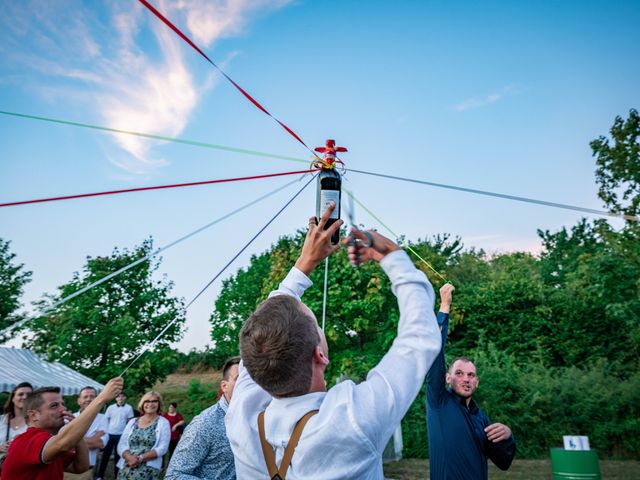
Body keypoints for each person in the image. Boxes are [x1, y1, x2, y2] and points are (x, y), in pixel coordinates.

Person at [226, 203, 442, 479]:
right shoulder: (352, 421)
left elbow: (263, 329)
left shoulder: (242, 414)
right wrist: (391, 254)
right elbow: (420, 336)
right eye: (315, 324)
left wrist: (305, 263)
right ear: (320, 355)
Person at [426, 284, 516, 479]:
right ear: (447, 378)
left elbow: (503, 462)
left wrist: (508, 436)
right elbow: (433, 352)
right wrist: (444, 307)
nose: (466, 379)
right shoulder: (438, 401)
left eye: (471, 375)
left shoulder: (480, 418)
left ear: (477, 382)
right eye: (459, 373)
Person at [1, 377, 123, 480]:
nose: (62, 409)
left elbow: (80, 467)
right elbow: (63, 443)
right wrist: (100, 399)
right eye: (54, 406)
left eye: (63, 404)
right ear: (34, 415)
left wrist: (76, 432)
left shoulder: (49, 441)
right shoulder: (27, 440)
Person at [165, 355, 240, 480]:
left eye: (251, 379)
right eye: (239, 379)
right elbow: (174, 476)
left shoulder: (261, 419)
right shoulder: (205, 423)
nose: (246, 384)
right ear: (224, 386)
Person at [116, 391, 170, 480]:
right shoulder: (132, 421)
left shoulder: (163, 422)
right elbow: (121, 444)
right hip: (127, 466)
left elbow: (163, 448)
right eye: (147, 401)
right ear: (142, 404)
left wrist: (140, 458)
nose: (150, 404)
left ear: (159, 404)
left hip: (148, 471)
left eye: (154, 401)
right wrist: (129, 457)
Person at [64, 386, 109, 480]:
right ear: (79, 400)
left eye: (92, 396)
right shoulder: (68, 418)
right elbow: (64, 443)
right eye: (85, 397)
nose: (89, 399)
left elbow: (100, 443)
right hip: (66, 469)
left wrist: (73, 440)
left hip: (86, 471)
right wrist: (92, 439)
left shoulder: (103, 418)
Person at [96, 392, 134, 480]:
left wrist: (128, 434)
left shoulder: (129, 408)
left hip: (121, 435)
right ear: (116, 398)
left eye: (122, 396)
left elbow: (130, 422)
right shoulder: (110, 407)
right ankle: (100, 476)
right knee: (105, 455)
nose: (120, 398)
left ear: (125, 398)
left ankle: (117, 476)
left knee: (119, 456)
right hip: (109, 434)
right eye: (118, 397)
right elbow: (106, 420)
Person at [0, 382, 33, 472]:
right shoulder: (1, 420)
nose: (25, 397)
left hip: (22, 472)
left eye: (29, 395)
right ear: (13, 398)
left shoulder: (37, 422)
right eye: (20, 394)